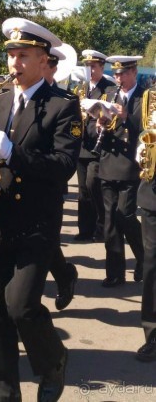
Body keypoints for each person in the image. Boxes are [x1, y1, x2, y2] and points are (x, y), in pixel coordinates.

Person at [0, 17, 82, 402]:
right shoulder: (1, 98)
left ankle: (53, 359)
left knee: (20, 307)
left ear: (44, 60)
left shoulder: (63, 106)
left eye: (24, 55)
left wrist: (12, 153)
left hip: (36, 224)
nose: (14, 63)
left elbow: (62, 166)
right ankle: (3, 393)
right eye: (11, 55)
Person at [98, 55, 144, 287]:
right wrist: (97, 123)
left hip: (131, 164)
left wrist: (127, 117)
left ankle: (144, 257)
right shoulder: (108, 96)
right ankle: (115, 272)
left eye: (123, 73)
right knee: (110, 221)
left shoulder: (146, 97)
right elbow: (94, 129)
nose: (118, 78)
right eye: (115, 74)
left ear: (134, 72)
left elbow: (150, 128)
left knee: (125, 215)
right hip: (109, 163)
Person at [44, 47, 78, 311]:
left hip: (48, 182)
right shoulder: (10, 97)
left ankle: (65, 275)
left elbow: (64, 157)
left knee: (47, 242)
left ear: (51, 66)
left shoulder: (64, 100)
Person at [75, 50, 116, 242]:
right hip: (82, 145)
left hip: (99, 146)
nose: (90, 70)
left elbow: (109, 115)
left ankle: (102, 227)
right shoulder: (81, 88)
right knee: (83, 189)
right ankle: (85, 230)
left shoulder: (109, 89)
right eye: (87, 66)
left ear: (101, 67)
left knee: (94, 185)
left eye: (94, 66)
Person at [135, 85, 156, 361]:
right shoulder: (150, 98)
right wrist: (143, 149)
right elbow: (143, 138)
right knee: (152, 264)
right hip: (153, 196)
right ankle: (153, 335)